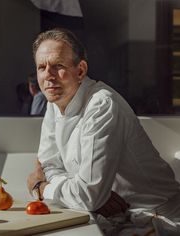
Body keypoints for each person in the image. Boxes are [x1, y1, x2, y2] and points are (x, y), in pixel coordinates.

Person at [27, 28, 180, 234]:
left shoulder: (102, 105)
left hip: (158, 219)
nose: (48, 76)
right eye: (41, 67)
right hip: (114, 216)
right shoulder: (54, 102)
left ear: (80, 70)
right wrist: (88, 195)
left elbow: (87, 195)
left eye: (58, 66)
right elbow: (50, 165)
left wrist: (41, 188)